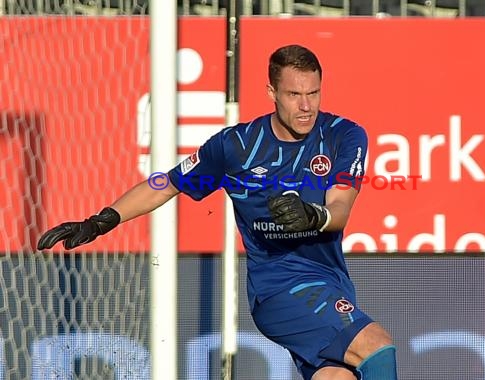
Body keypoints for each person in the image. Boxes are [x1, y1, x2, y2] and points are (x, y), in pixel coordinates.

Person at [37, 44, 398, 380]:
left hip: (331, 281)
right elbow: (169, 183)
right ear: (272, 93)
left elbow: (339, 208)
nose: (306, 106)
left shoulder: (343, 135)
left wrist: (313, 215)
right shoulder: (235, 147)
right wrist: (103, 220)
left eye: (313, 93)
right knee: (377, 348)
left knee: (336, 377)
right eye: (294, 94)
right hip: (278, 289)